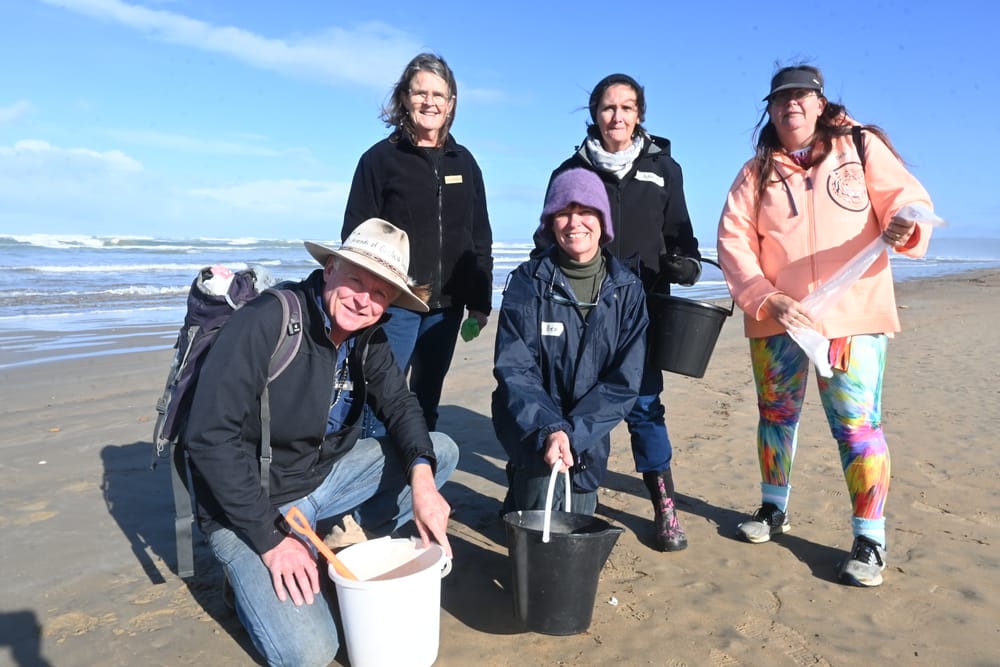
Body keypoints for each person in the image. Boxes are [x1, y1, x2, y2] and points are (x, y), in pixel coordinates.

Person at [183, 218, 460, 666]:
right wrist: (272, 542)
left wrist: (424, 484)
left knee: (439, 451)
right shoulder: (267, 322)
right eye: (355, 280)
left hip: (317, 481)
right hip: (247, 506)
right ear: (330, 268)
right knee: (311, 653)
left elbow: (402, 406)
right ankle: (253, 574)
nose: (364, 300)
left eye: (380, 293)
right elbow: (208, 440)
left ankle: (345, 539)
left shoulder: (368, 335)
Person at [716, 64, 935, 587]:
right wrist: (767, 299)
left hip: (851, 316)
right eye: (780, 98)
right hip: (778, 319)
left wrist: (906, 223)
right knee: (776, 416)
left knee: (858, 428)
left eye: (801, 96)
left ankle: (869, 538)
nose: (791, 104)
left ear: (819, 103)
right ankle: (773, 509)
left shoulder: (859, 149)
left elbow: (907, 199)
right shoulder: (755, 172)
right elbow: (734, 241)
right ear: (770, 110)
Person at [539, 73, 701, 551]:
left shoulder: (663, 169)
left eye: (627, 108)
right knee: (581, 401)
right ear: (594, 113)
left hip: (644, 308)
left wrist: (686, 264)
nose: (618, 117)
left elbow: (682, 235)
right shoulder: (572, 169)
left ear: (639, 115)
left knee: (645, 406)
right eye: (609, 108)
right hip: (583, 308)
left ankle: (664, 505)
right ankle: (572, 495)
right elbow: (549, 236)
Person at [343, 52, 494, 432]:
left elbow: (479, 237)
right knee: (380, 401)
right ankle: (370, 483)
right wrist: (365, 295)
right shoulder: (379, 160)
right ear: (404, 98)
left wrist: (479, 302)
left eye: (438, 95)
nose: (429, 102)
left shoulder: (465, 162)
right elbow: (354, 235)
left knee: (425, 401)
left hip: (446, 309)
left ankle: (416, 482)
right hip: (394, 304)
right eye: (420, 93)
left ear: (451, 104)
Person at [493, 168, 648, 514]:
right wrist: (550, 429)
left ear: (602, 220)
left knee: (576, 515)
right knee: (535, 512)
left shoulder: (628, 290)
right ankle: (521, 480)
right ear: (550, 222)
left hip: (587, 433)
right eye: (563, 213)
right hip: (530, 423)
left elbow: (623, 382)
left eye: (586, 211)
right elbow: (515, 369)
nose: (574, 222)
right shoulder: (526, 282)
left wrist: (573, 435)